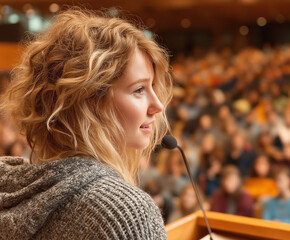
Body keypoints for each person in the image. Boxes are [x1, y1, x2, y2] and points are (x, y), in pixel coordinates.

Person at [0, 8, 172, 239]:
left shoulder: (10, 186)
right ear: (89, 103)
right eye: (139, 89)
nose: (158, 105)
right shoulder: (125, 211)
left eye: (152, 87)